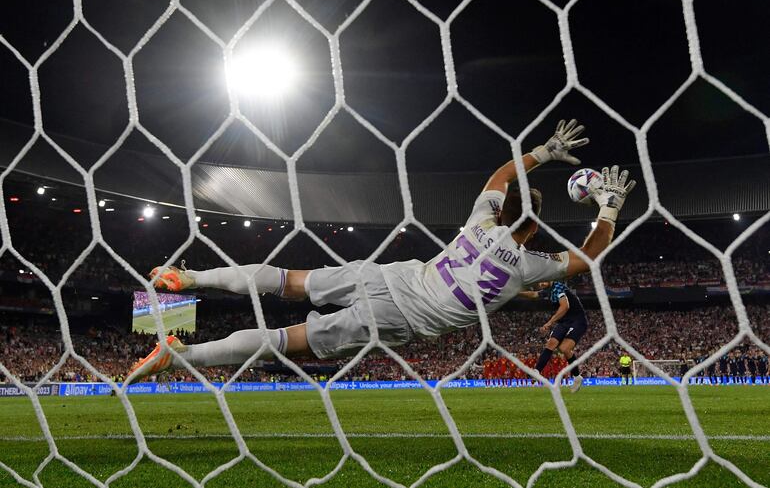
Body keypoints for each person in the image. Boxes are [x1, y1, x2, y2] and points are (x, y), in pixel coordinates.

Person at [128, 120, 637, 381]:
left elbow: (499, 177)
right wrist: (609, 209)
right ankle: (182, 354)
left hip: (394, 275)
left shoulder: (480, 222)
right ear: (537, 225)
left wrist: (542, 152)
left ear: (504, 212)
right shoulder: (528, 265)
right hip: (402, 316)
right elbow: (587, 258)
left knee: (290, 279)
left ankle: (194, 278)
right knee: (288, 339)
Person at [519, 280, 588, 393]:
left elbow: (565, 306)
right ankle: (536, 371)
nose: (541, 284)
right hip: (564, 322)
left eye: (543, 281)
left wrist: (550, 322)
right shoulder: (548, 290)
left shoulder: (558, 287)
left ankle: (577, 376)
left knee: (564, 348)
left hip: (577, 320)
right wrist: (517, 292)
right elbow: (534, 294)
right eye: (539, 282)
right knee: (551, 343)